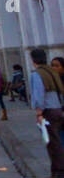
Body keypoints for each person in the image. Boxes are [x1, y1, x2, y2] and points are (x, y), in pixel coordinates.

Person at [30, 47, 64, 178]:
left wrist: (39, 113)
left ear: (33, 59)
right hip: (58, 109)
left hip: (48, 111)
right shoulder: (52, 72)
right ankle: (56, 170)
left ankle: (59, 171)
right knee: (55, 141)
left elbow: (39, 95)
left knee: (53, 143)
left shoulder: (37, 74)